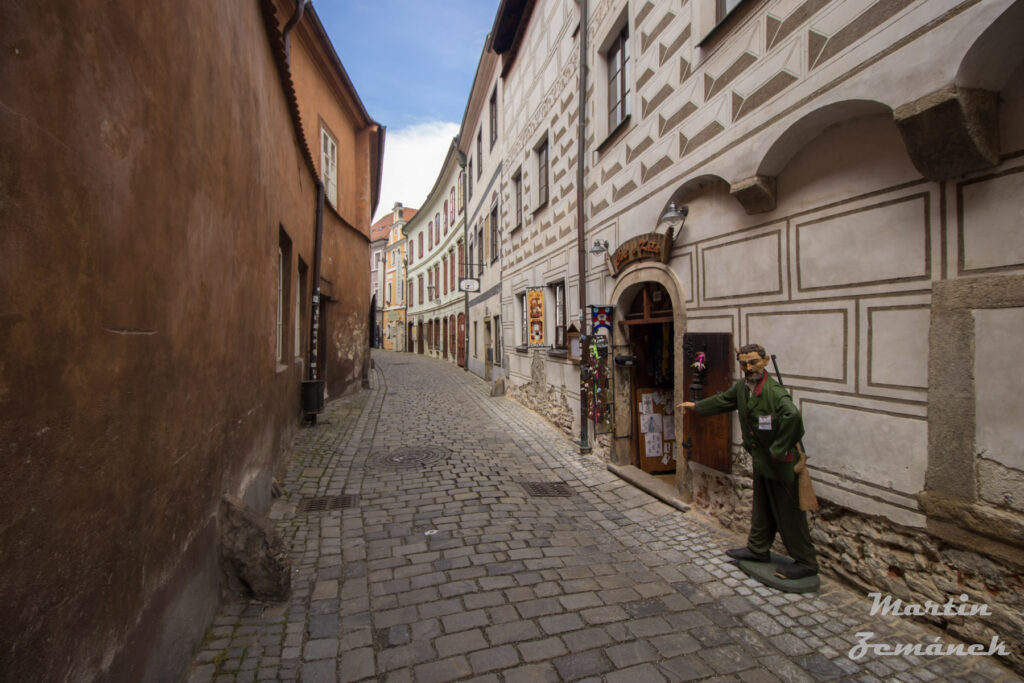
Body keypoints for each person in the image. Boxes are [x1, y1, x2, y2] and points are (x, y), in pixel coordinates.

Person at [678, 343, 818, 580]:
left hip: (780, 462)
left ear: (764, 362)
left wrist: (778, 448)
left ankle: (806, 561)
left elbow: (793, 417)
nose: (748, 368)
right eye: (743, 363)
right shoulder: (744, 388)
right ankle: (758, 549)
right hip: (762, 460)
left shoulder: (774, 392)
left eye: (753, 362)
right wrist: (696, 406)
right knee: (762, 507)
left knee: (788, 512)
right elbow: (724, 400)